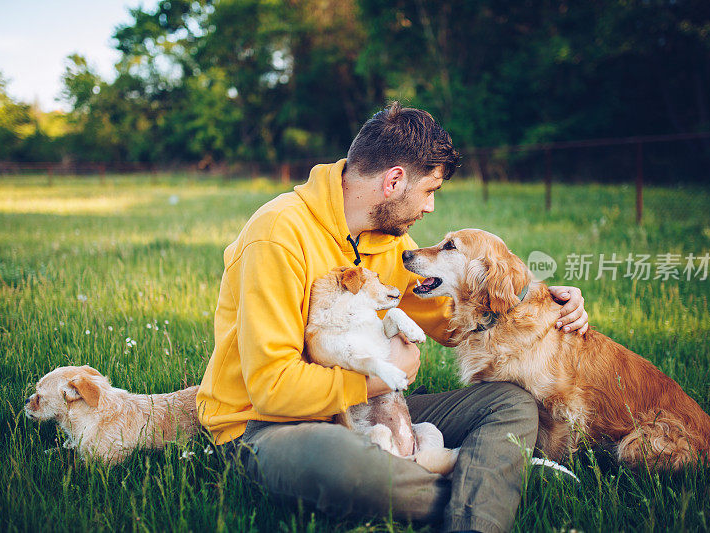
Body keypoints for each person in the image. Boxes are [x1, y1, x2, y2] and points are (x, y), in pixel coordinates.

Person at [196, 102, 589, 532]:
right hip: (269, 427)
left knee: (511, 402)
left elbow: (457, 319)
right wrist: (383, 378)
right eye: (430, 191)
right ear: (394, 180)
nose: (431, 207)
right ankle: (491, 488)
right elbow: (271, 389)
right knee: (350, 470)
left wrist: (538, 301)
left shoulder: (388, 242)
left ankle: (475, 509)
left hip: (375, 409)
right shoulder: (277, 235)